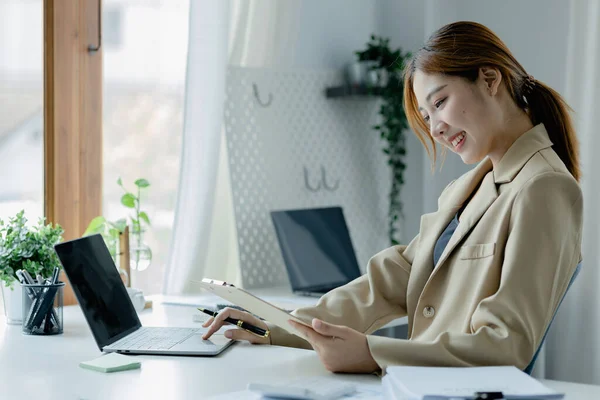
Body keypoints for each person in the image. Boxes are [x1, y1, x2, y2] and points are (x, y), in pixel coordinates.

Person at [202, 21, 583, 375]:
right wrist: (280, 324)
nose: (435, 128)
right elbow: (394, 278)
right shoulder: (470, 187)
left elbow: (506, 344)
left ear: (489, 79)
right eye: (425, 115)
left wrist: (373, 353)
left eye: (439, 103)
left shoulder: (544, 187)